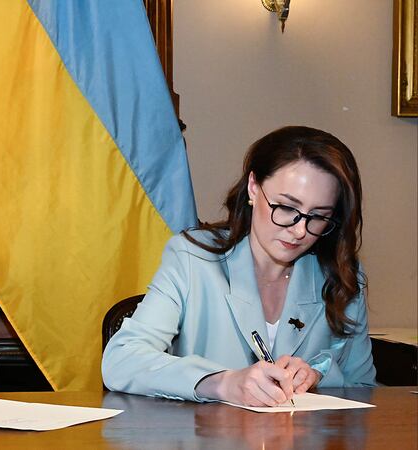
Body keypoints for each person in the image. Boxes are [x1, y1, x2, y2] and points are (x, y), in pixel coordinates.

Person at [102, 126, 376, 406]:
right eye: (286, 208)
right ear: (253, 187)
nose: (300, 231)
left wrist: (317, 376)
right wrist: (222, 382)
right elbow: (122, 359)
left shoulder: (341, 275)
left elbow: (365, 389)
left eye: (318, 216)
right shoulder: (192, 258)